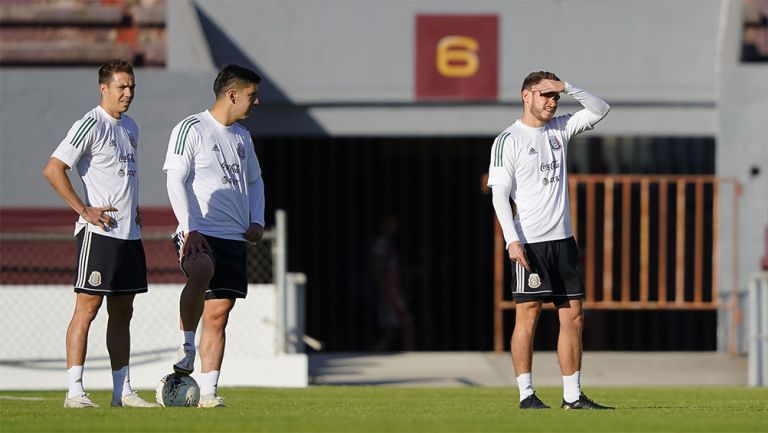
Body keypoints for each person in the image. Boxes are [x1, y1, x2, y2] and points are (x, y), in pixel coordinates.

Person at [487, 71, 613, 410]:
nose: (551, 102)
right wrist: (511, 241)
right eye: (544, 95)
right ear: (526, 96)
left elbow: (601, 109)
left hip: (563, 241)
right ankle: (526, 394)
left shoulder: (560, 128)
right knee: (527, 316)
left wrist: (569, 87)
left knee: (572, 317)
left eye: (555, 96)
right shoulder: (508, 139)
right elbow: (499, 195)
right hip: (530, 243)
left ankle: (572, 396)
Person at [43, 60, 158, 408]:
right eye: (122, 86)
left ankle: (121, 392)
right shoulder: (89, 124)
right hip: (100, 235)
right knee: (87, 309)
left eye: (132, 86)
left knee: (123, 313)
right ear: (103, 88)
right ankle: (74, 391)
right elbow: (53, 169)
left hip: (129, 235)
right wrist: (84, 210)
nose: (128, 93)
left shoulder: (132, 128)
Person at [163, 64, 265, 408]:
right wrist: (189, 227)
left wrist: (257, 220)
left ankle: (208, 392)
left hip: (233, 236)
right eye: (252, 95)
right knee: (202, 270)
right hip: (198, 231)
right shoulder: (191, 128)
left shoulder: (243, 137)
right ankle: (186, 346)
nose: (257, 103)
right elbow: (174, 179)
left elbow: (254, 181)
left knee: (220, 314)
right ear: (232, 94)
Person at [369, 215, 414, 351]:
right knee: (405, 324)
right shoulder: (380, 245)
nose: (394, 227)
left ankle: (375, 352)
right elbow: (375, 268)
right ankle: (411, 356)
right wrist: (383, 289)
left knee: (391, 331)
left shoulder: (389, 244)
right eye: (390, 224)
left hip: (393, 290)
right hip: (389, 292)